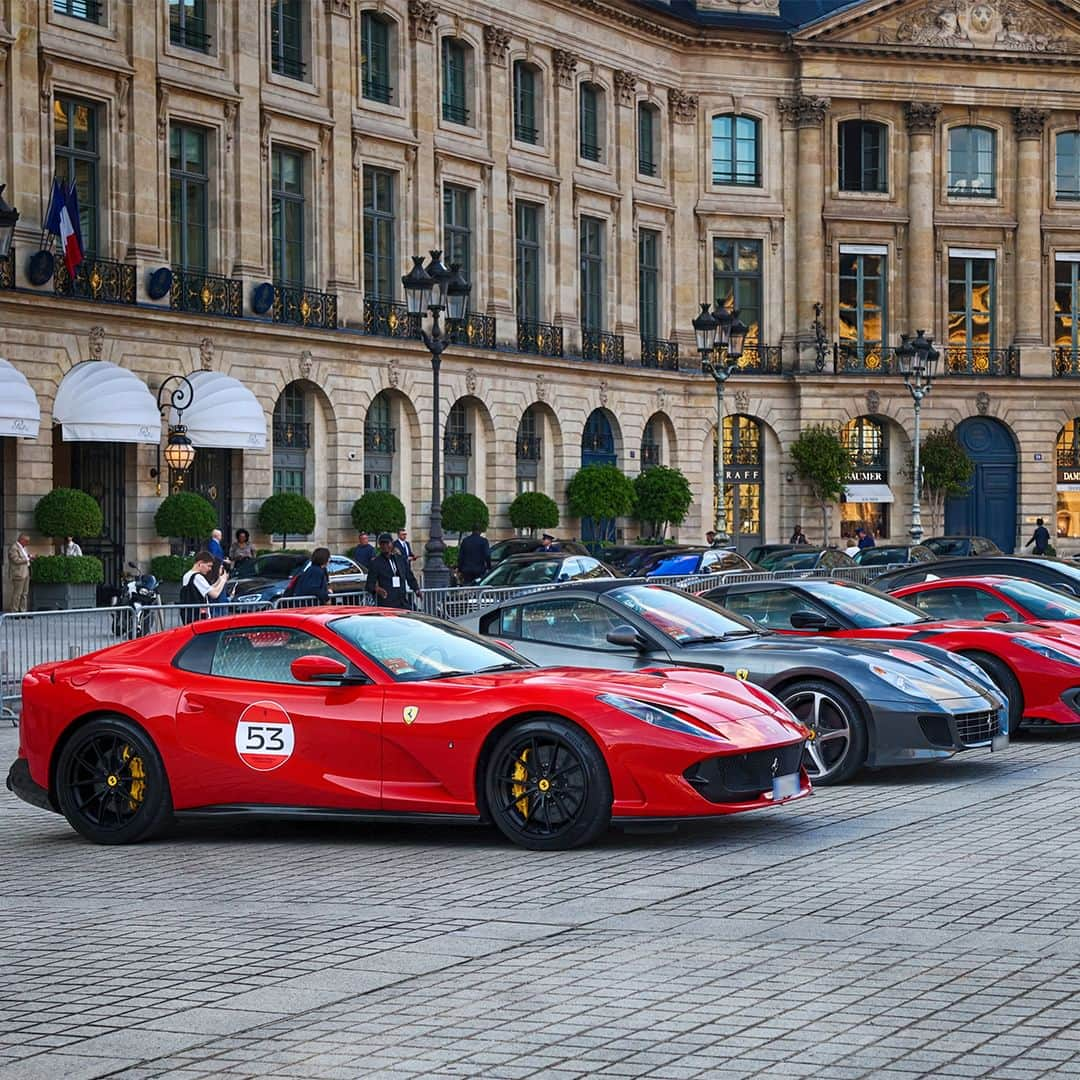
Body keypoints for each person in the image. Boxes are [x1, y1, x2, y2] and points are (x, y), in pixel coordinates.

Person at [367, 532, 421, 609]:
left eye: (387, 543)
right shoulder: (375, 563)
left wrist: (416, 589)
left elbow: (410, 577)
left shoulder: (400, 559)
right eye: (382, 544)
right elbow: (369, 585)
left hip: (402, 601)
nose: (385, 546)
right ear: (380, 545)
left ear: (392, 543)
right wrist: (377, 589)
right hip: (387, 604)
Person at [179, 550, 230, 622]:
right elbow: (214, 594)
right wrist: (223, 581)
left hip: (191, 615)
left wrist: (219, 580)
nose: (210, 569)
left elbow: (209, 588)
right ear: (200, 563)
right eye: (208, 566)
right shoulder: (197, 577)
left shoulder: (188, 575)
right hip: (199, 617)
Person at [5, 533, 31, 613]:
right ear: (21, 540)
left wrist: (29, 557)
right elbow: (15, 560)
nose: (27, 543)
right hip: (18, 574)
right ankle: (14, 611)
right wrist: (27, 559)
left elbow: (25, 557)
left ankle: (23, 611)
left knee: (24, 594)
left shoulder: (23, 548)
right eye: (26, 541)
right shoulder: (14, 548)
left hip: (26, 572)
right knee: (17, 594)